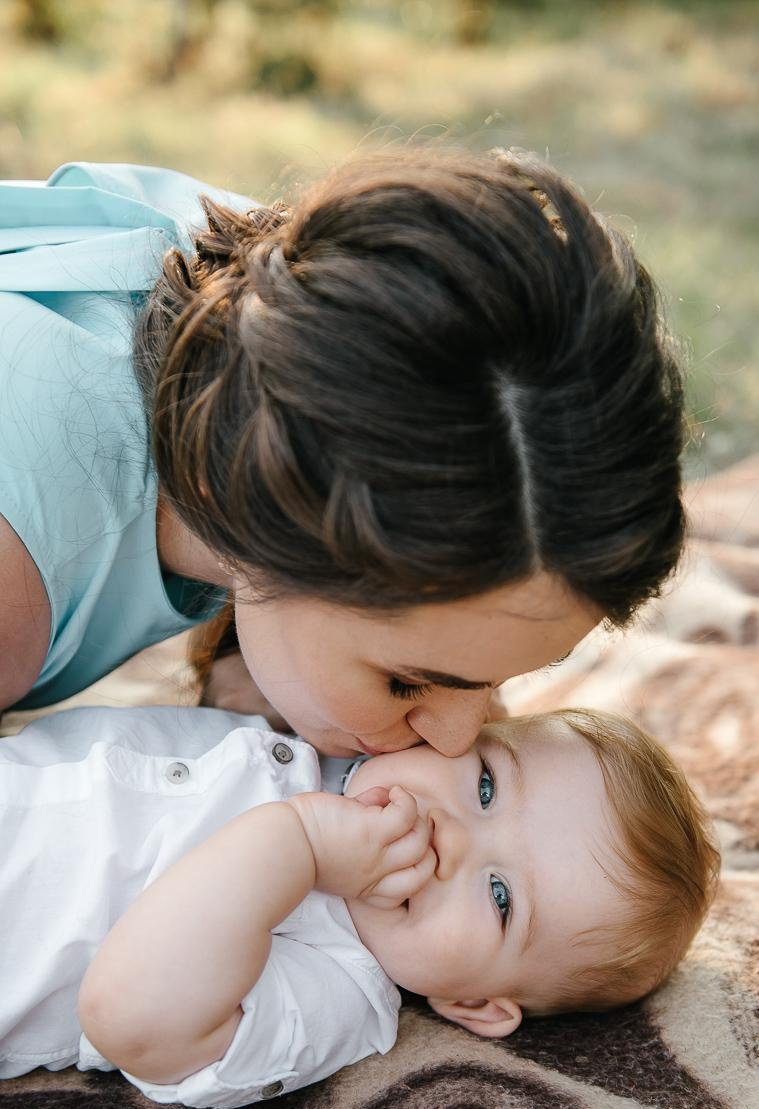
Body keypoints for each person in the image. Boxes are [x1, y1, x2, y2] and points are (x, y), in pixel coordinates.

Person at [0, 144, 686, 757]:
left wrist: (247, 665)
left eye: (494, 682)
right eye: (406, 682)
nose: (457, 739)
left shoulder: (279, 307)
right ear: (253, 501)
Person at [0, 702, 719, 1109]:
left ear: (475, 1004)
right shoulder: (338, 732)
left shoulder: (339, 993)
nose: (450, 837)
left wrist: (298, 848)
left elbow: (135, 1019)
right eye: (488, 787)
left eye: (500, 897)